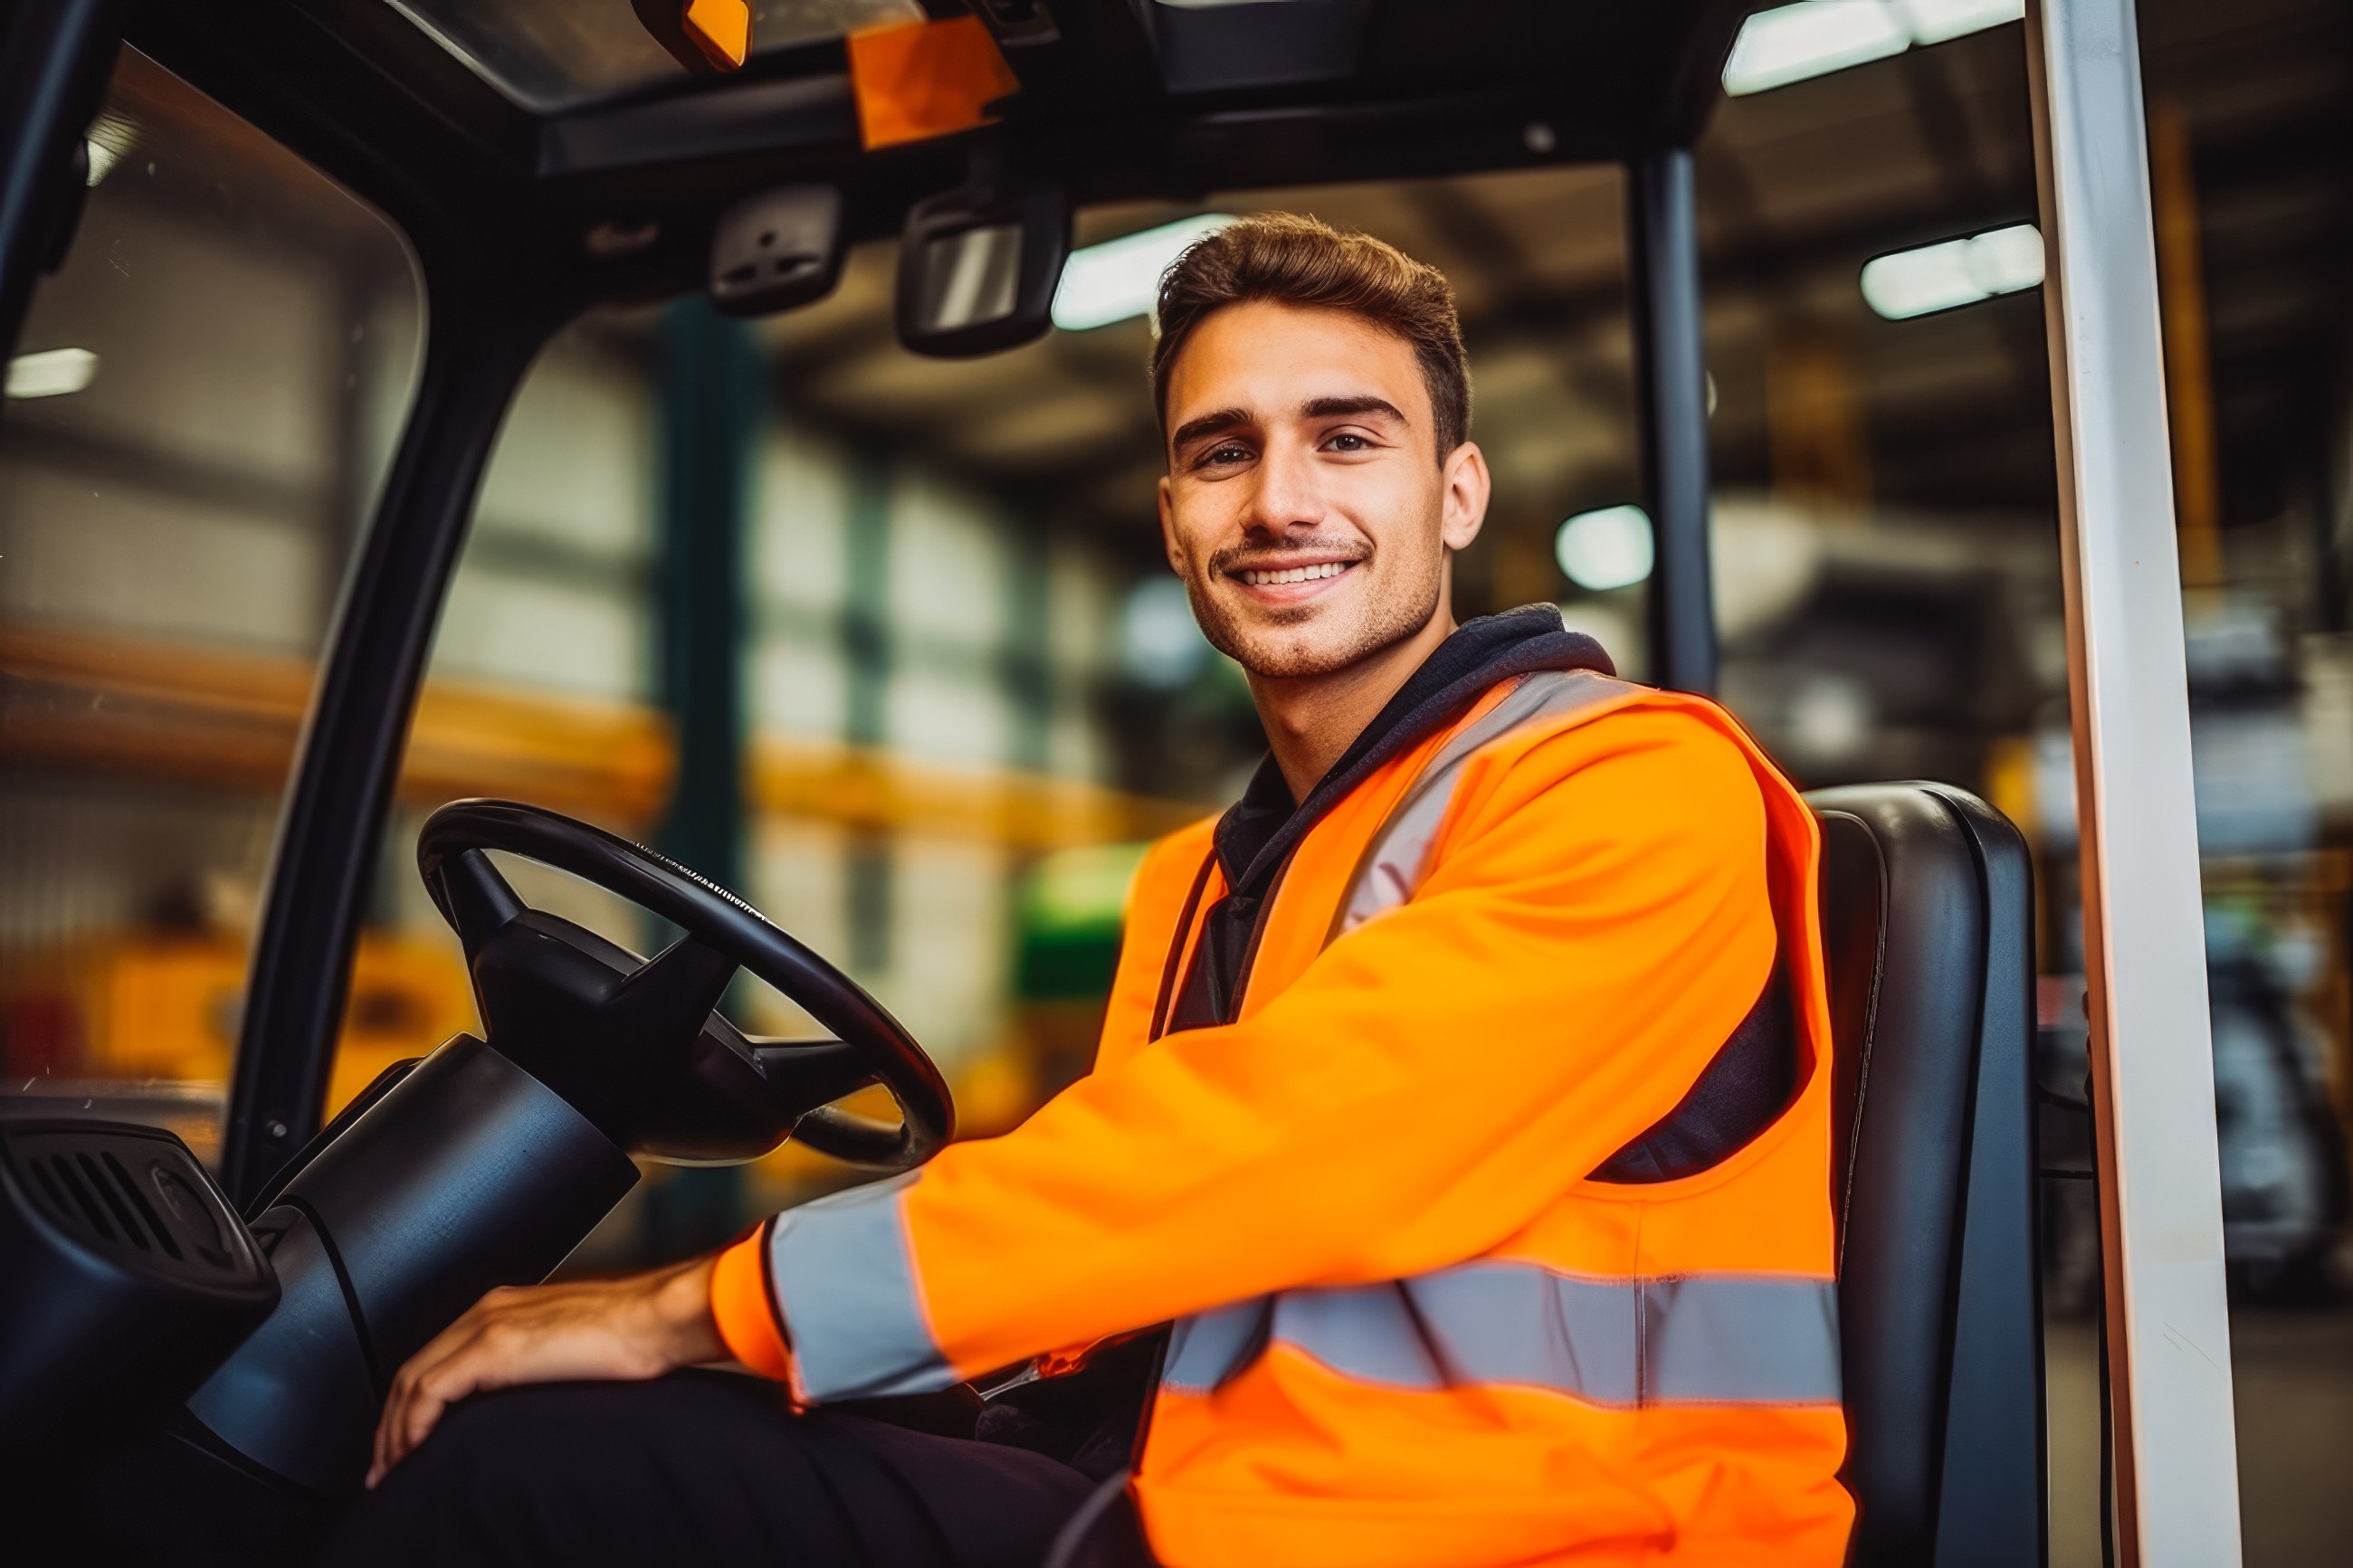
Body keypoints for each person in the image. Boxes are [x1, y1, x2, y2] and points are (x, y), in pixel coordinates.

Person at [329, 214, 1852, 1567]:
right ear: (1174, 516)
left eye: (1345, 437)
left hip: (1524, 1526)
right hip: (1215, 1476)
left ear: (1457, 493)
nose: (1277, 499)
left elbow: (1290, 1152)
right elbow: (1140, 1239)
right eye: (1220, 449)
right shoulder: (1209, 872)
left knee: (514, 1474)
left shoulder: (1633, 786)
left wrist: (681, 1305)